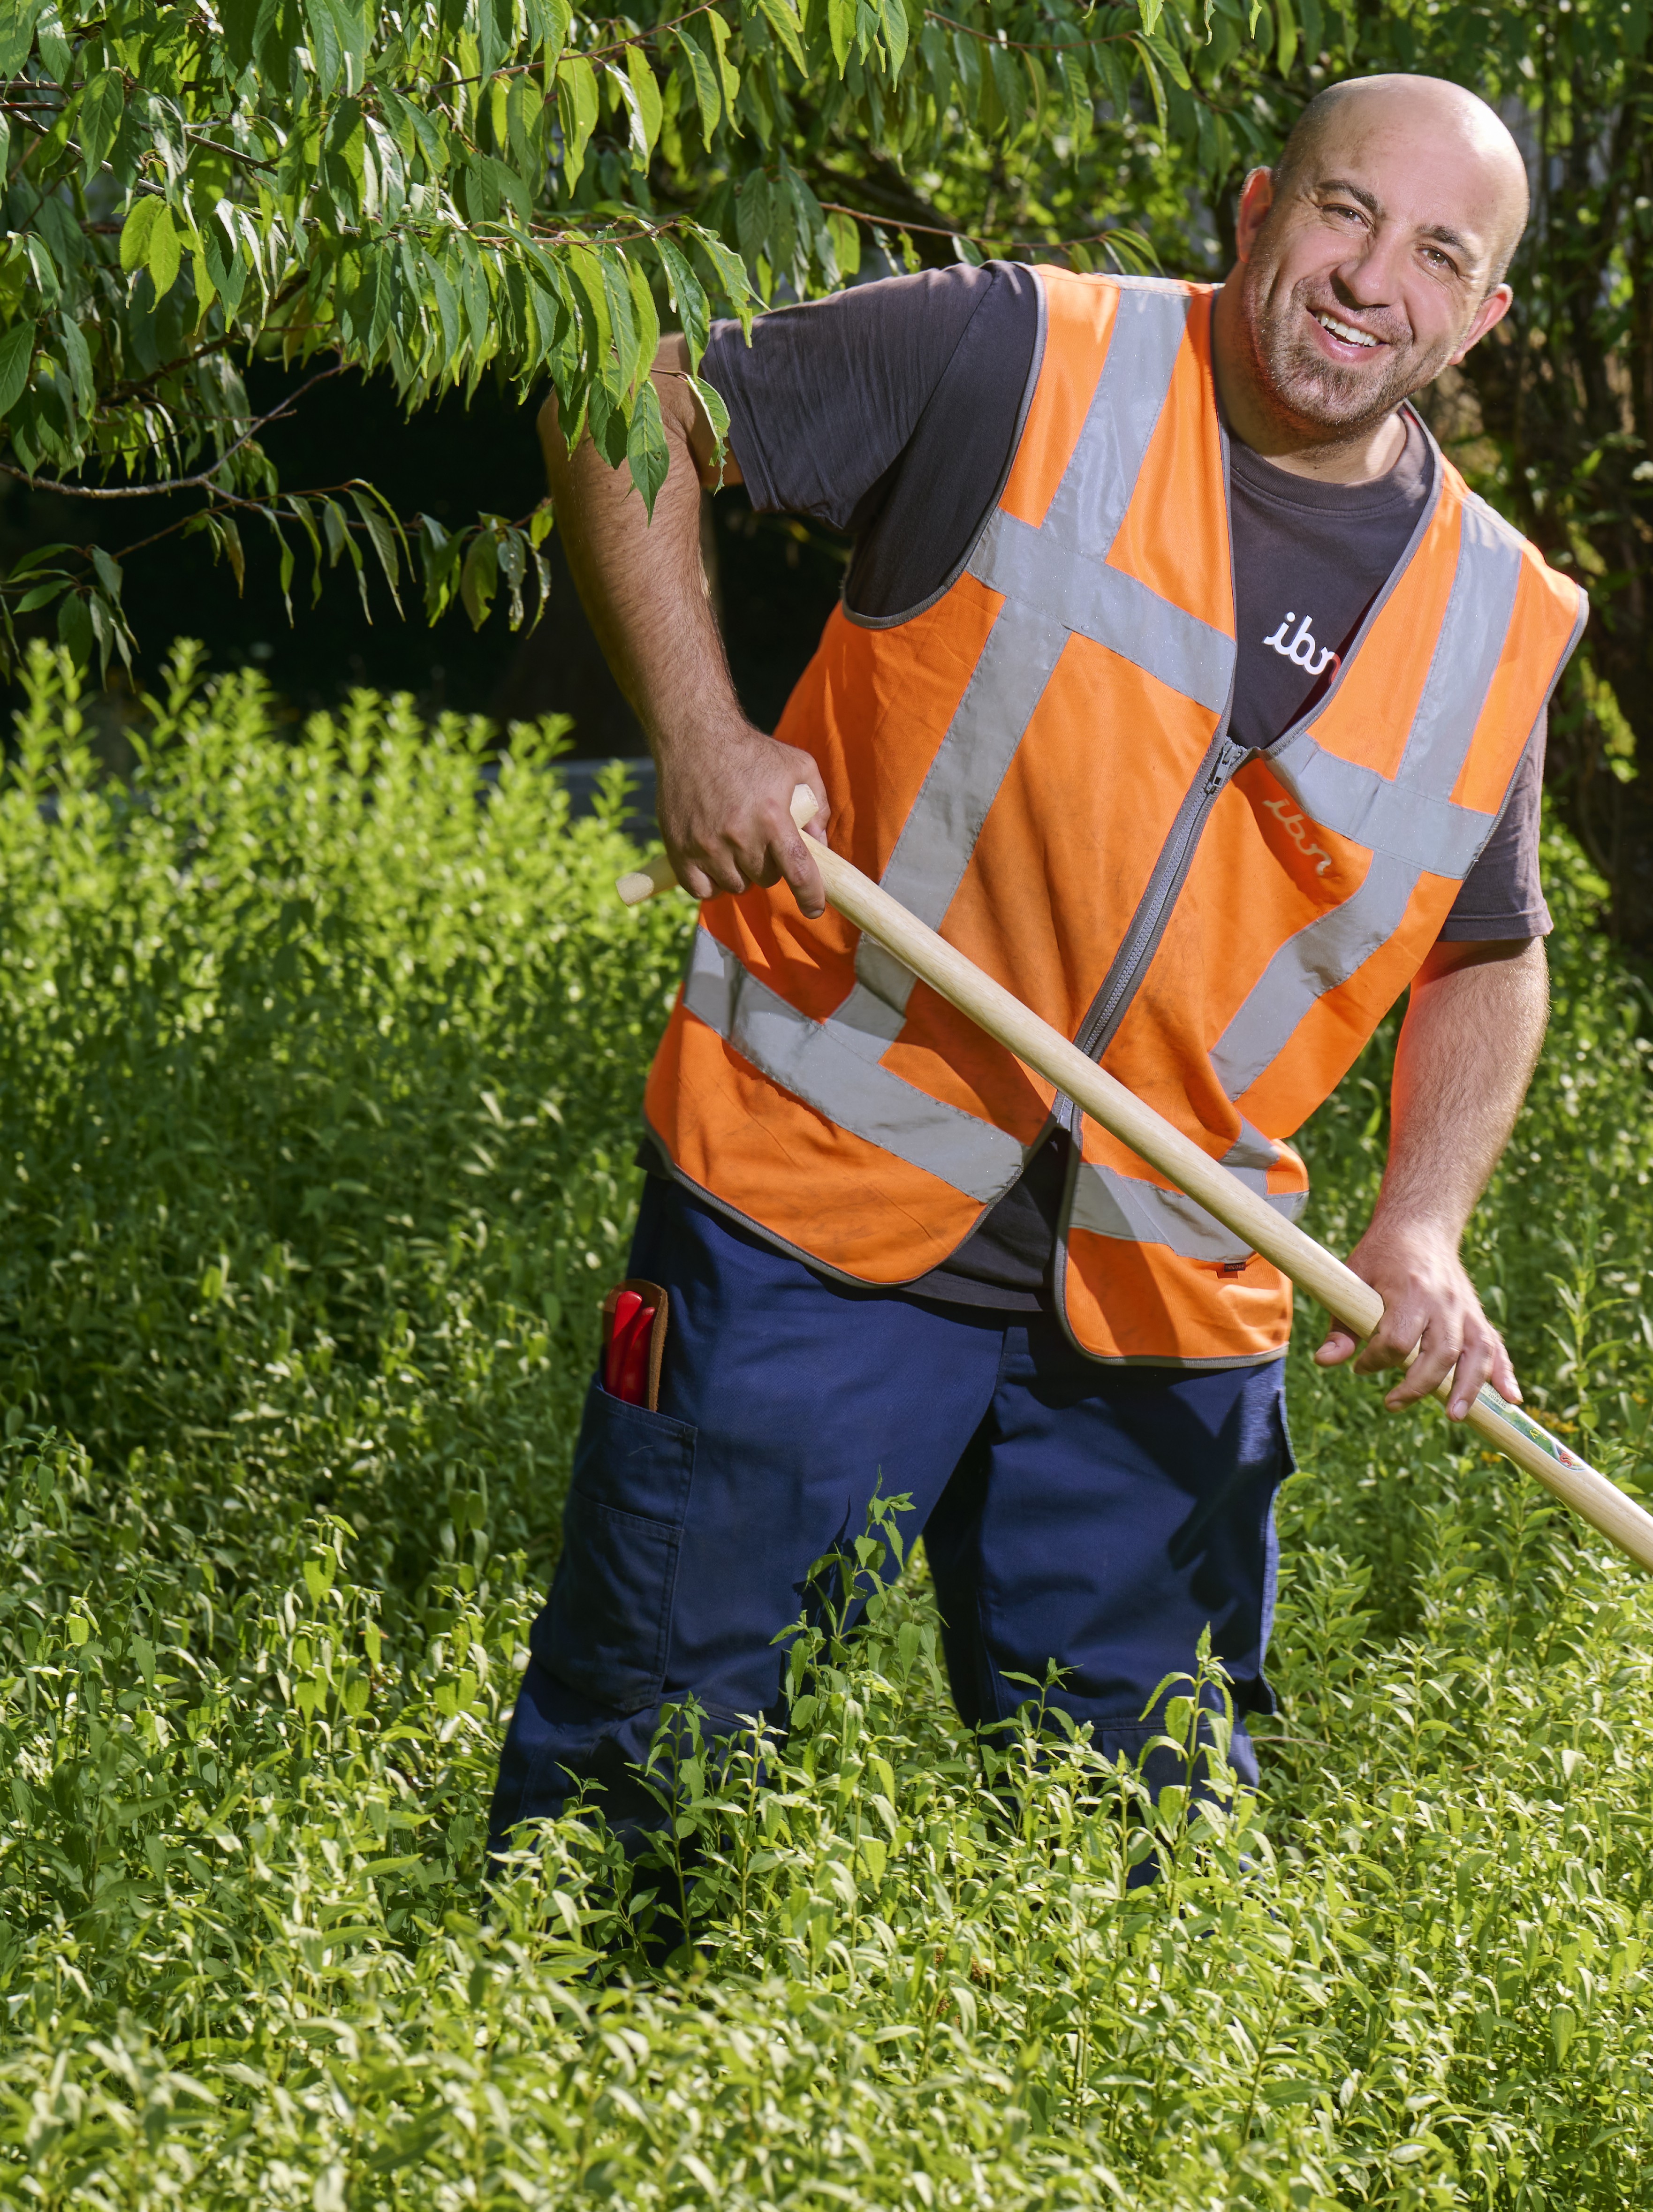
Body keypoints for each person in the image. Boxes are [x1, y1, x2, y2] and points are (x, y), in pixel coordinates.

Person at [488, 75, 1586, 1851]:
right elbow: (631, 395)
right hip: (811, 1217)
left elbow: (1489, 944)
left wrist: (1424, 1220)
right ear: (1252, 213)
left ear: (1480, 318)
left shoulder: (1500, 616)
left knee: (1144, 1859)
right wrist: (699, 728)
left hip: (1169, 1294)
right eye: (1340, 211)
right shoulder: (1017, 355)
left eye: (1435, 254)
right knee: (643, 1784)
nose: (1370, 277)